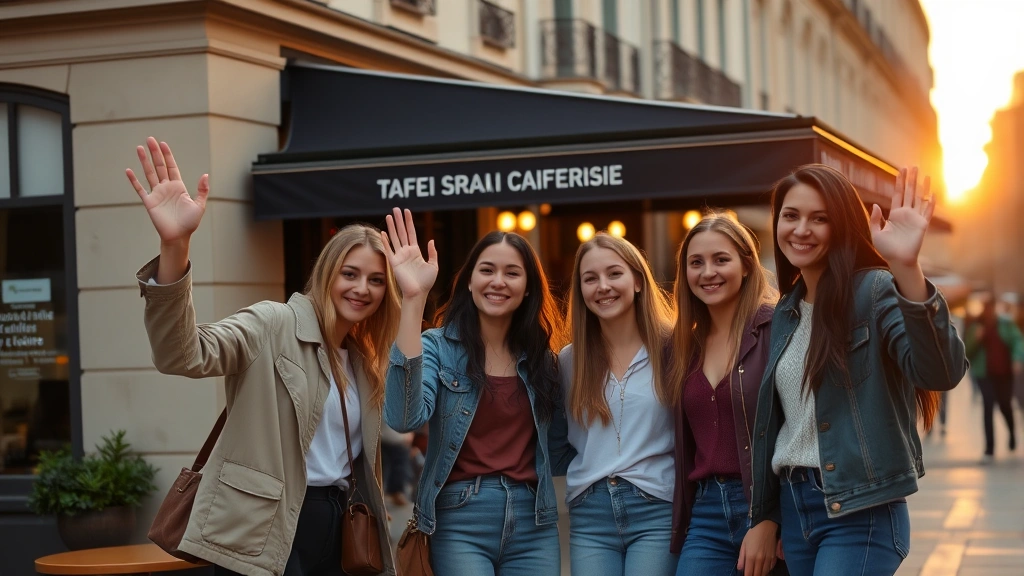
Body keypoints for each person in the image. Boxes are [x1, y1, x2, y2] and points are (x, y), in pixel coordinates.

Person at [126, 139, 398, 576]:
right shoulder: (274, 323)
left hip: (340, 524)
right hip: (265, 526)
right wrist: (175, 247)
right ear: (327, 272)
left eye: (376, 280)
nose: (361, 288)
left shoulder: (364, 361)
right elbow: (184, 354)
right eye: (350, 273)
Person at [749, 165, 967, 576]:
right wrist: (768, 513)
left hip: (861, 509)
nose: (801, 229)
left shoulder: (875, 289)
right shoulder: (785, 312)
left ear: (843, 226)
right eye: (791, 215)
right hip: (797, 512)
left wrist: (907, 268)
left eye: (820, 218)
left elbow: (941, 372)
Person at [381, 208, 568, 576]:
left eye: (512, 273)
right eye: (487, 270)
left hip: (535, 522)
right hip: (460, 517)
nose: (498, 281)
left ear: (527, 287)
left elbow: (560, 447)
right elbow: (404, 418)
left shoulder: (544, 361)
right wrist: (414, 297)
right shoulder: (437, 346)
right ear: (469, 281)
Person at [669, 215, 782, 576]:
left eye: (721, 259)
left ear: (746, 265)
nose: (708, 273)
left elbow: (797, 426)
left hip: (764, 506)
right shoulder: (683, 345)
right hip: (705, 514)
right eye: (696, 263)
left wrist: (770, 518)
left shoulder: (776, 327)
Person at [557, 233, 676, 576]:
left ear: (637, 280)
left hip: (657, 508)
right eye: (590, 278)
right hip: (590, 514)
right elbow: (559, 437)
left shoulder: (675, 348)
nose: (603, 286)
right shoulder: (569, 360)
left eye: (614, 274)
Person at [964, 295, 1022, 462]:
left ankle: (1011, 433)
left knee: (1005, 405)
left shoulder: (1005, 324)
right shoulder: (976, 326)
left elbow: (1017, 341)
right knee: (988, 405)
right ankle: (989, 448)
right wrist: (976, 339)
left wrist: (1017, 358)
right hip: (985, 374)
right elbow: (967, 351)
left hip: (1004, 373)